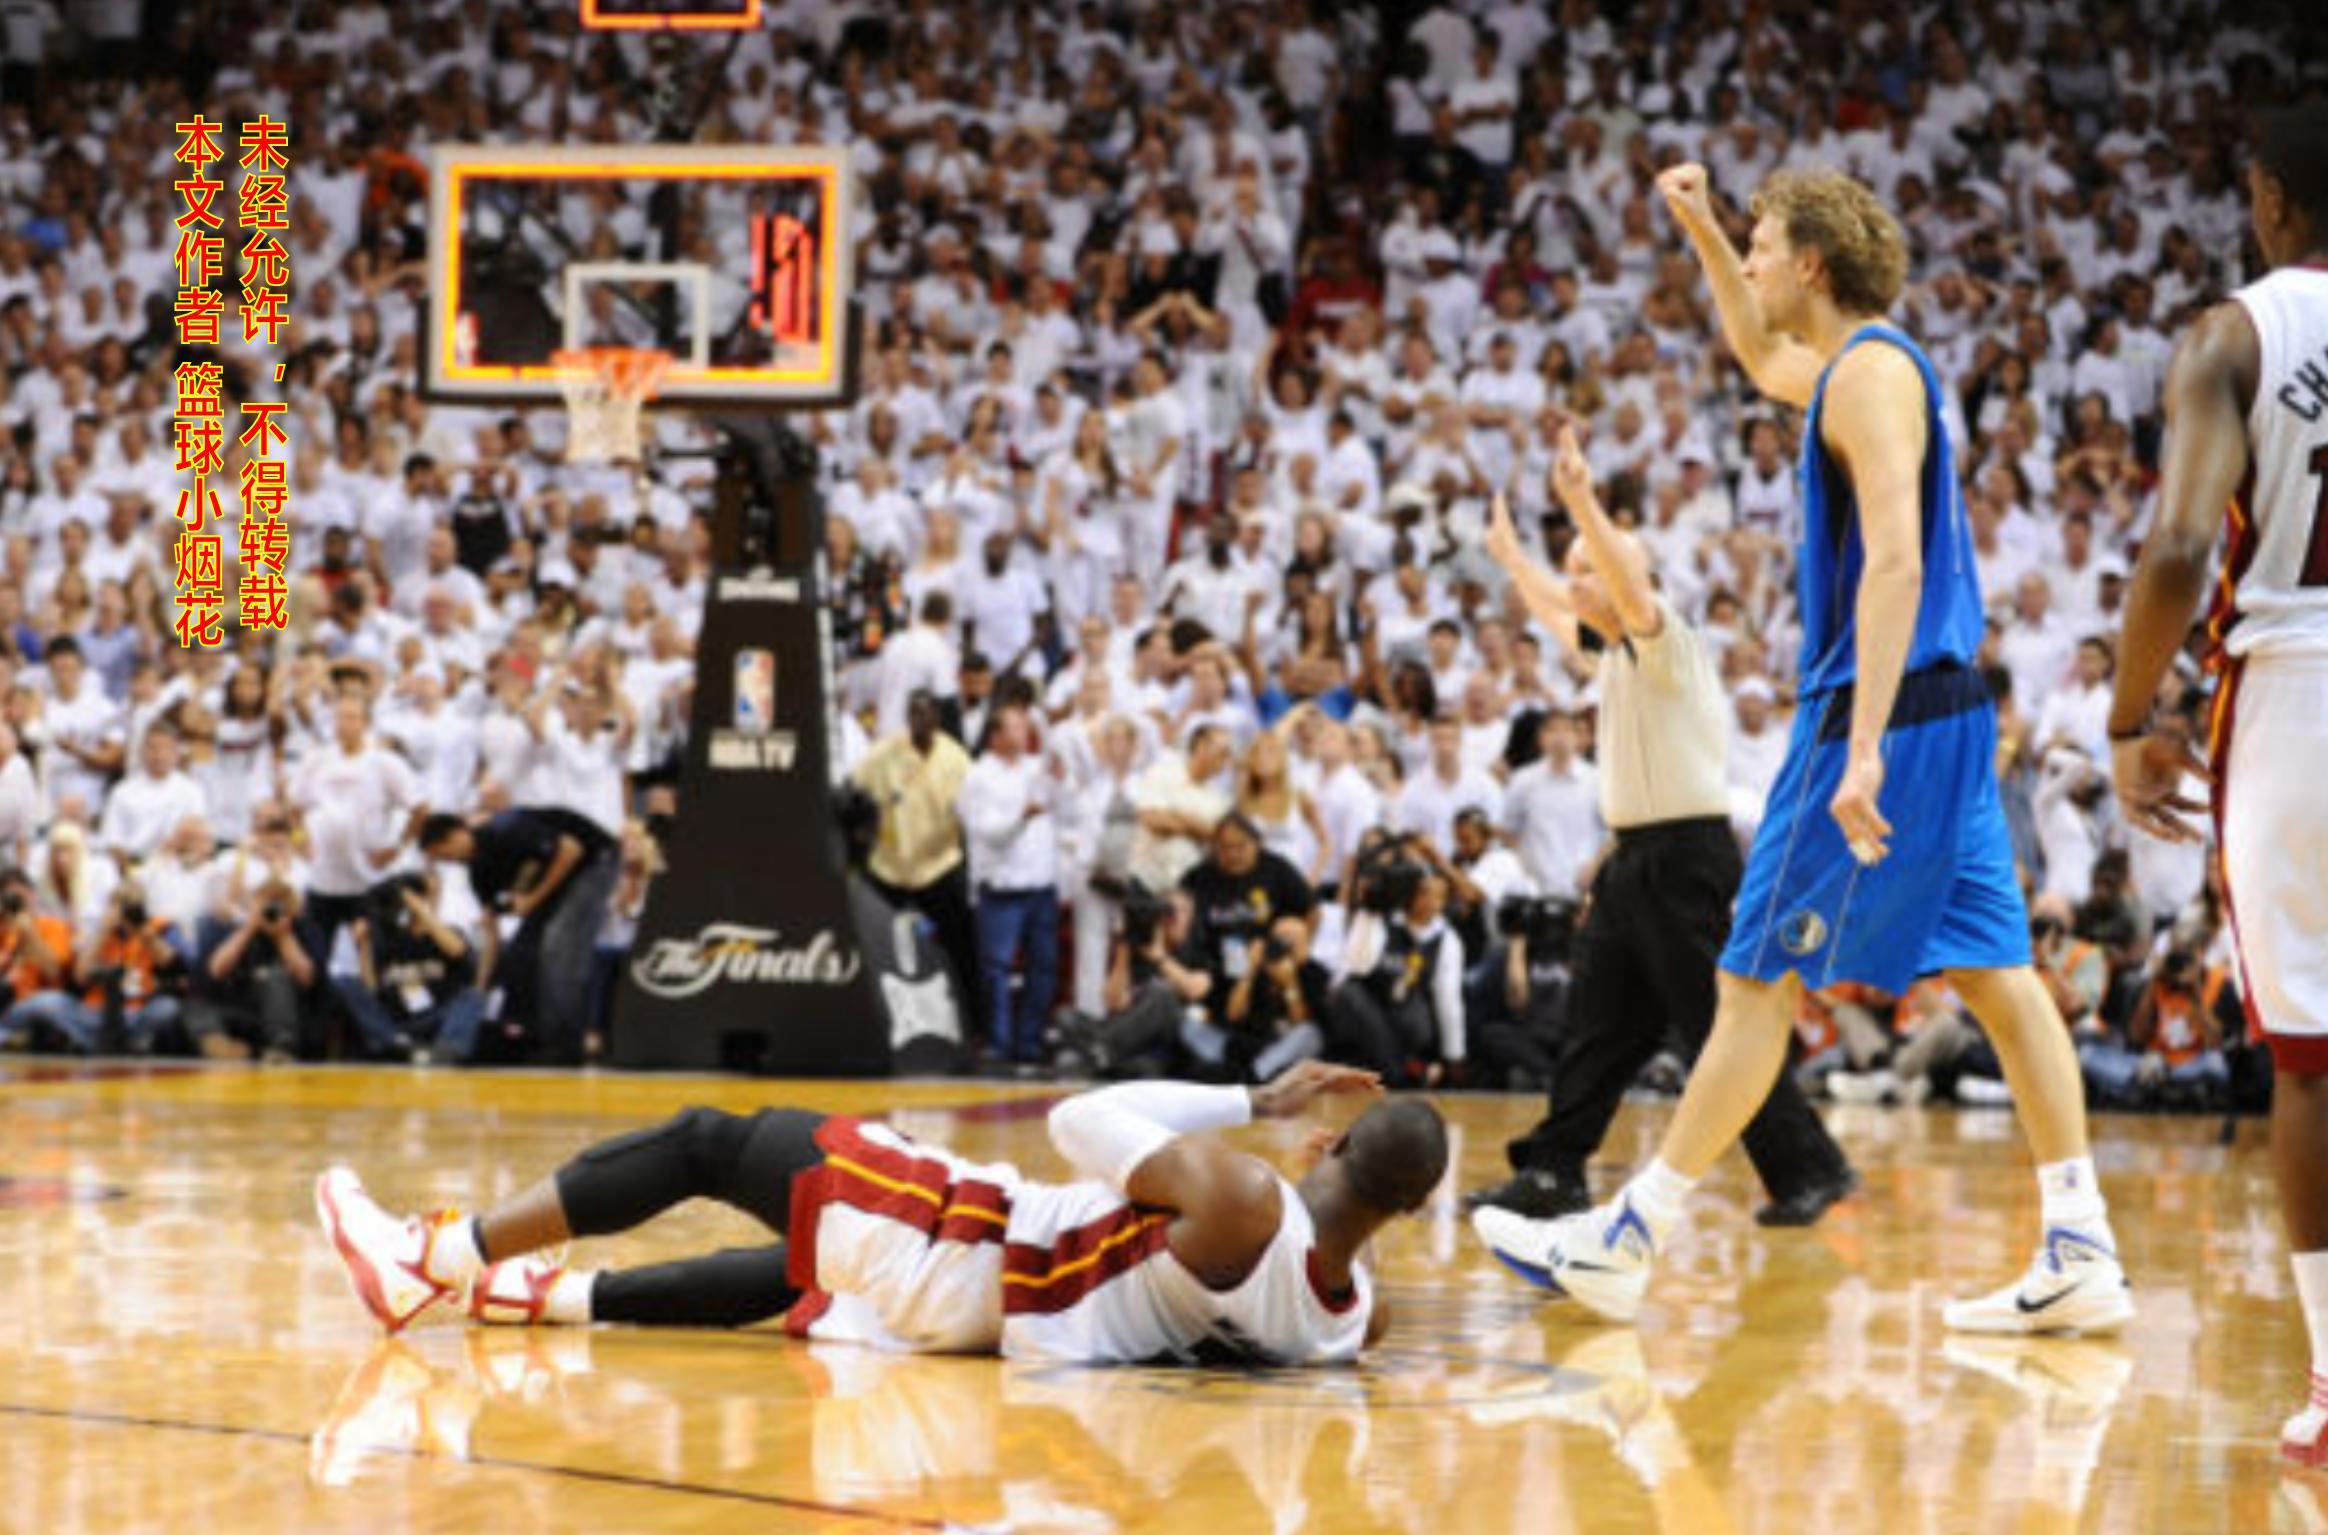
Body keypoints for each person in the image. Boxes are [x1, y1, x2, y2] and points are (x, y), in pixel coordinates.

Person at [1476, 164, 2130, 1332]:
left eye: (1765, 245)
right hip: (1946, 709)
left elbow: (1896, 561)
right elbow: (1752, 347)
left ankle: (1627, 1238)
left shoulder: (1868, 378)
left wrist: (1862, 745)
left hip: (1877, 715)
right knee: (1998, 973)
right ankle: (2080, 1240)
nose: (1755, 262)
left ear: (1814, 263)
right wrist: (1701, 228)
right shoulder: (1857, 369)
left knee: (1749, 981)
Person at [313, 1062, 1443, 1366]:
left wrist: (1253, 1100)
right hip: (1001, 1322)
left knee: (711, 1141)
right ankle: (546, 1298)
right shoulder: (1354, 1319)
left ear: (1330, 1142)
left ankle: (435, 1254)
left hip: (971, 1245)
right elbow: (1327, 1275)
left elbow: (1079, 1117)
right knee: (804, 1271)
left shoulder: (1244, 1196)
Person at [1467, 432, 1855, 1229]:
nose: (1576, 582)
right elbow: (1558, 611)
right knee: (1598, 1025)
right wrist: (1512, 560)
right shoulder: (1612, 656)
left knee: (1720, 1028)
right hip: (1634, 862)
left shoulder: (1668, 637)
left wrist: (1582, 501)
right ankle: (1552, 1171)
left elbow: (1623, 584)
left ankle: (1812, 1169)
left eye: (1588, 568)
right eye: (1573, 568)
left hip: (1688, 861)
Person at [2103, 99, 2328, 1458]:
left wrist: (2133, 714)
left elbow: (2183, 545)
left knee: (2309, 1058)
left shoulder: (2234, 337)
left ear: (2270, 199)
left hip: (2297, 690)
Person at [416, 805, 618, 1063]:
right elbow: (491, 932)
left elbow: (571, 849)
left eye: (445, 853)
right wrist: (481, 985)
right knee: (521, 950)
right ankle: (533, 1035)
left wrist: (532, 900)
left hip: (594, 860)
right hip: (559, 878)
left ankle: (567, 1045)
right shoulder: (478, 873)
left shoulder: (505, 829)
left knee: (559, 946)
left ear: (458, 834)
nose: (449, 861)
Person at [853, 689, 978, 1013]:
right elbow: (853, 791)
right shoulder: (883, 754)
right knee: (870, 939)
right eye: (913, 712)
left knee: (962, 944)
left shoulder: (956, 759)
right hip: (889, 868)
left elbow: (973, 814)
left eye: (925, 712)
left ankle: (972, 1018)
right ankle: (872, 1012)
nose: (919, 719)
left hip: (938, 866)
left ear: (937, 718)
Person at [956, 700, 1063, 1067]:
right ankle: (998, 1044)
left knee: (1043, 966)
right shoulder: (979, 776)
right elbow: (986, 832)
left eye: (1025, 726)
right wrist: (1021, 817)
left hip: (1041, 883)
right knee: (997, 969)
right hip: (1002, 887)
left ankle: (1029, 1042)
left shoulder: (1035, 769)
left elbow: (1064, 803)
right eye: (1015, 727)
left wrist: (1059, 779)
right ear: (995, 736)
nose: (1024, 733)